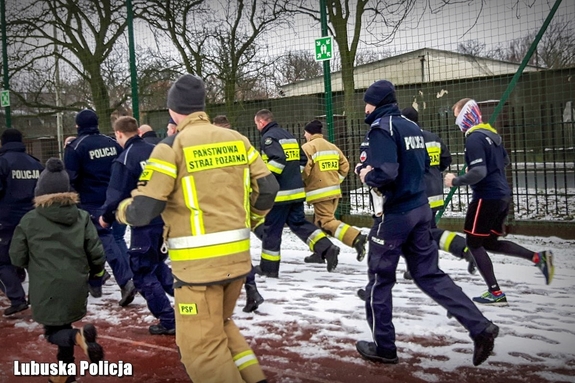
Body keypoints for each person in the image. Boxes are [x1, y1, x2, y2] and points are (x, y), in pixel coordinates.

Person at [115, 74, 278, 383]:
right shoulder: (239, 141)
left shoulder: (170, 147)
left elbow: (145, 208)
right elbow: (268, 188)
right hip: (238, 261)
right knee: (222, 326)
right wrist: (252, 220)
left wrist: (121, 211)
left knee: (200, 350)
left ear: (173, 110)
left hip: (197, 271)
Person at [354, 79, 498, 367]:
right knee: (429, 274)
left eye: (367, 102)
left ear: (376, 103)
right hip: (420, 209)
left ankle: (384, 347)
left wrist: (364, 173)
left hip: (394, 215)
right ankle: (480, 327)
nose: (365, 108)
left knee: (380, 281)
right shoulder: (412, 128)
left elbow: (386, 172)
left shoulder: (382, 129)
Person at [445, 98, 554, 306]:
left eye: (457, 116)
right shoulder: (491, 135)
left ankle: (495, 293)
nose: (456, 122)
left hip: (486, 197)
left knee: (473, 242)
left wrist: (456, 180)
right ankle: (539, 259)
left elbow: (479, 171)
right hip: (503, 195)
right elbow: (505, 161)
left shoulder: (474, 138)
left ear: (466, 115)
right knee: (489, 242)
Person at [9, 158, 105, 383]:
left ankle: (78, 337)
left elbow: (17, 256)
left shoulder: (29, 220)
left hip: (46, 285)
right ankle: (65, 373)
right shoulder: (81, 217)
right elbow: (96, 252)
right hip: (76, 283)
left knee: (53, 331)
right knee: (64, 321)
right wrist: (96, 274)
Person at [99, 116, 176, 335]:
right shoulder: (157, 150)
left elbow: (116, 194)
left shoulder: (125, 159)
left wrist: (106, 217)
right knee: (158, 265)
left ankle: (169, 319)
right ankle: (189, 306)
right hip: (167, 218)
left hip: (144, 223)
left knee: (142, 273)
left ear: (119, 134)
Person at [253, 109, 340, 278]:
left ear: (262, 122)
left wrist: (265, 179)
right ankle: (327, 249)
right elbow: (302, 160)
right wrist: (293, 177)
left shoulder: (268, 138)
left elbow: (278, 160)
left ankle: (268, 268)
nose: (257, 127)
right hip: (296, 191)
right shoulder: (288, 135)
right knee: (298, 223)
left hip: (280, 195)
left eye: (257, 123)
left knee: (272, 230)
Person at [64, 109, 136, 306]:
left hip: (92, 202)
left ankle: (124, 280)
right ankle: (101, 279)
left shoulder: (76, 147)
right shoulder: (112, 143)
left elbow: (70, 178)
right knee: (116, 238)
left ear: (78, 126)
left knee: (103, 240)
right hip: (118, 199)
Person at [401, 106, 476, 278]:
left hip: (416, 196)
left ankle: (463, 248)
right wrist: (434, 173)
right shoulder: (432, 138)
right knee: (425, 233)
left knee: (418, 234)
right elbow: (445, 159)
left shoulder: (405, 140)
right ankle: (422, 267)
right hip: (434, 193)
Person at [212, 114, 264, 313]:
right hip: (240, 207)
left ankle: (222, 301)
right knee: (239, 253)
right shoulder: (241, 143)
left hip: (217, 208)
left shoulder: (210, 146)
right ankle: (252, 291)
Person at [300, 120, 367, 263]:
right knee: (318, 222)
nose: (304, 135)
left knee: (326, 221)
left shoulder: (308, 147)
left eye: (305, 132)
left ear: (310, 133)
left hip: (319, 192)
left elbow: (305, 169)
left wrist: (302, 182)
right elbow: (345, 165)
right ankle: (319, 253)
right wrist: (337, 180)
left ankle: (356, 238)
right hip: (334, 191)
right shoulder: (332, 147)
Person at [0, 128, 43, 316]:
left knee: (2, 262)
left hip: (6, 220)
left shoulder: (2, 162)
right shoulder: (35, 163)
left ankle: (17, 298)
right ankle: (39, 297)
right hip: (33, 219)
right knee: (33, 260)